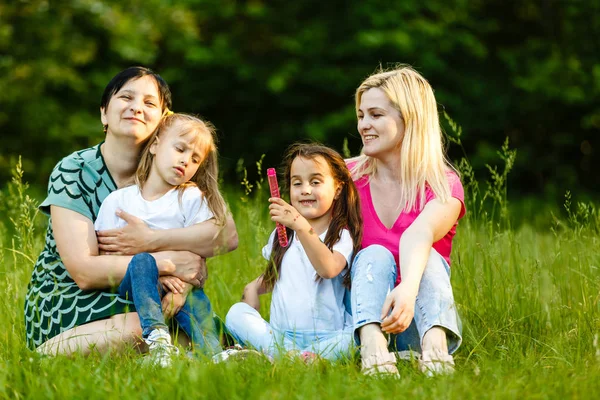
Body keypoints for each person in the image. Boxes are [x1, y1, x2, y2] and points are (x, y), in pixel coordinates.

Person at [24, 67, 238, 355]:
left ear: (164, 122)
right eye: (126, 97)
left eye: (149, 103)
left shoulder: (178, 161)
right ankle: (45, 355)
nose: (137, 107)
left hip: (153, 291)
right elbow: (84, 272)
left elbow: (225, 235)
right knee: (144, 329)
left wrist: (162, 258)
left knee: (204, 340)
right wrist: (169, 261)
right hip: (71, 296)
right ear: (104, 113)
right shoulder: (74, 170)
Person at [348, 65, 465, 376]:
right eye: (361, 115)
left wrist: (408, 290)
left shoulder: (443, 184)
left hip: (420, 320)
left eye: (375, 115)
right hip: (361, 320)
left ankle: (436, 353)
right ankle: (373, 353)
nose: (363, 125)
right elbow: (301, 230)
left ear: (409, 118)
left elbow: (420, 233)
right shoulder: (344, 178)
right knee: (373, 255)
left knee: (428, 258)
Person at [94, 112, 226, 366]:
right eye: (180, 149)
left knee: (195, 297)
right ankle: (158, 339)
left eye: (195, 158)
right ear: (155, 145)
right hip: (133, 287)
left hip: (181, 287)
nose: (186, 160)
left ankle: (214, 352)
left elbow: (198, 257)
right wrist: (159, 270)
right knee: (143, 261)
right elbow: (107, 255)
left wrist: (183, 286)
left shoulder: (191, 198)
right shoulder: (120, 201)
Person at [225, 143, 362, 361]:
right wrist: (253, 287)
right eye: (297, 183)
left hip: (328, 336)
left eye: (315, 182)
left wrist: (299, 224)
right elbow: (282, 275)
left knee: (356, 337)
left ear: (337, 189)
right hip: (282, 335)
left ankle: (281, 357)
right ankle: (297, 357)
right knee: (236, 314)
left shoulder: (340, 235)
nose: (305, 189)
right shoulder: (283, 235)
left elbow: (328, 268)